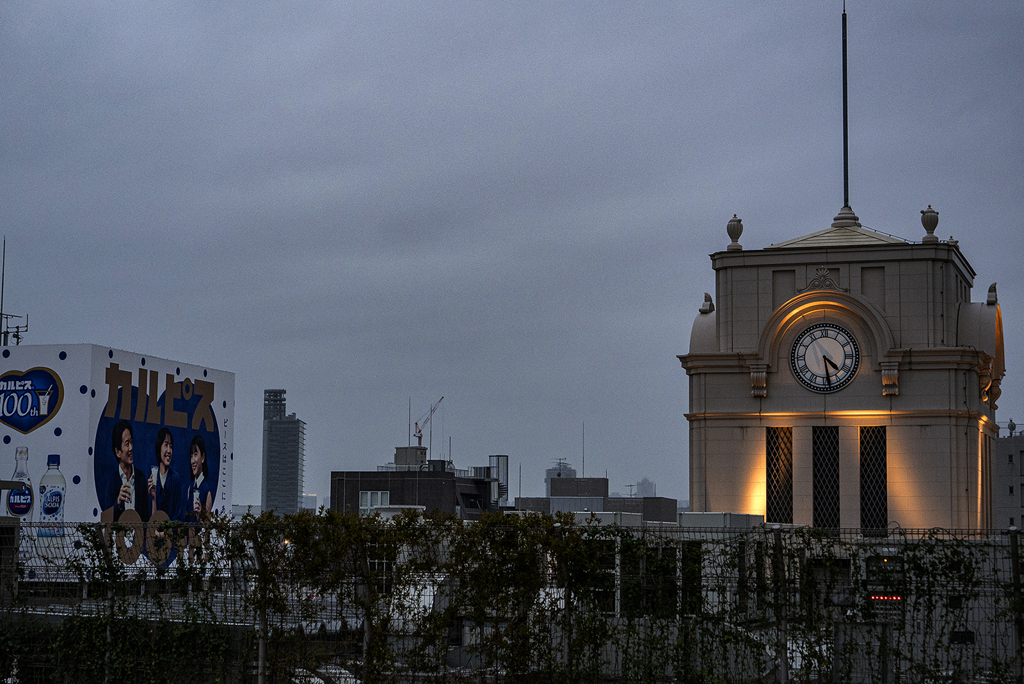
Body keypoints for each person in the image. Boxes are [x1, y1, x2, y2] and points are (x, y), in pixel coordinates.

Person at [105, 420, 150, 523]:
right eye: (127, 443)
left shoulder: (140, 478)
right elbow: (106, 520)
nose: (131, 448)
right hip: (119, 538)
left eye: (131, 442)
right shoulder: (112, 481)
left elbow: (145, 519)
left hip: (137, 537)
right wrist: (118, 502)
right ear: (118, 452)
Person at [148, 427, 184, 521]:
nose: (169, 450)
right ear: (159, 449)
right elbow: (150, 519)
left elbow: (178, 515)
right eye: (166, 445)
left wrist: (166, 533)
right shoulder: (152, 479)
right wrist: (153, 498)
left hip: (171, 534)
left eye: (171, 446)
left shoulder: (176, 479)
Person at [185, 435, 215, 517]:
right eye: (191, 456)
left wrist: (199, 516)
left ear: (203, 458)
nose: (193, 461)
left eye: (195, 454)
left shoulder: (207, 491)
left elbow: (207, 526)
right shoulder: (190, 489)